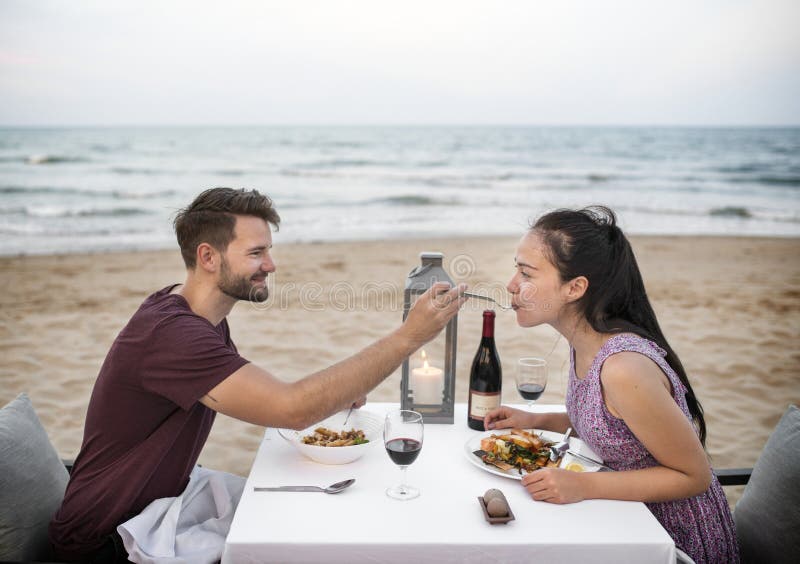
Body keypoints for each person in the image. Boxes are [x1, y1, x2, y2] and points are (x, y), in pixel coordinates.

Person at [49, 187, 466, 562]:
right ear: (208, 257)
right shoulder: (173, 334)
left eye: (267, 250)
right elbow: (291, 409)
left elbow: (264, 392)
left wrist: (338, 392)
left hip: (159, 505)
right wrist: (409, 336)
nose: (270, 264)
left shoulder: (193, 314)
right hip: (109, 537)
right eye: (255, 253)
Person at [484, 206, 738, 563]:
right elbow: (612, 425)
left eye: (525, 273)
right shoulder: (585, 345)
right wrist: (537, 421)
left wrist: (583, 485)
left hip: (671, 541)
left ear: (575, 288)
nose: (511, 284)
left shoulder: (623, 368)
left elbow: (693, 476)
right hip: (625, 519)